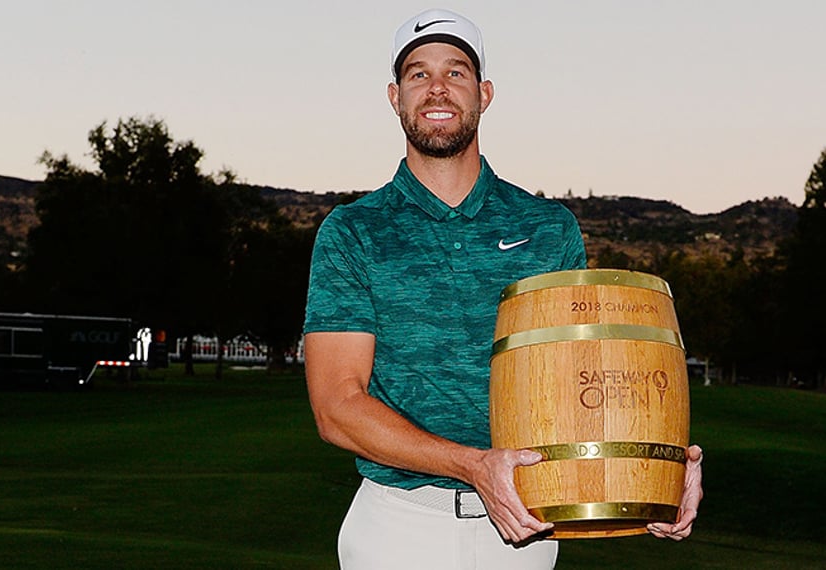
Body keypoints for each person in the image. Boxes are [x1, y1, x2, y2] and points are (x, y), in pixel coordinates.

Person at [302, 8, 704, 569]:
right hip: (397, 526)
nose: (437, 88)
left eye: (456, 72)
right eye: (418, 74)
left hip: (524, 532)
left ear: (484, 93)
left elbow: (583, 385)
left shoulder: (548, 227)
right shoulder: (353, 231)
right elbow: (337, 407)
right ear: (394, 97)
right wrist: (473, 466)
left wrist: (661, 471)